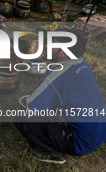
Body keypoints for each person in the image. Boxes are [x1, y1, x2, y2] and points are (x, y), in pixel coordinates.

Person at [15, 29, 106, 164]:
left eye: (52, 44)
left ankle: (51, 153)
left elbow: (31, 107)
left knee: (22, 118)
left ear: (63, 52)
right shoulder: (81, 63)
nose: (46, 45)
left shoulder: (58, 74)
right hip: (98, 135)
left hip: (79, 142)